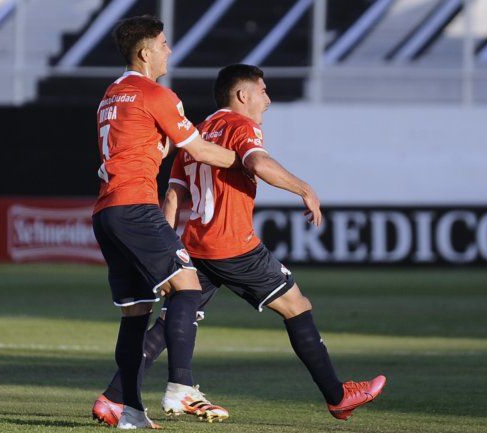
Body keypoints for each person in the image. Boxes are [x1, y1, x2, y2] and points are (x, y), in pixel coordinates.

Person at [92, 64, 386, 426]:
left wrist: (168, 245)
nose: (268, 99)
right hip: (233, 245)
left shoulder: (197, 131)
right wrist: (304, 188)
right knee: (297, 305)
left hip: (195, 245)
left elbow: (174, 196)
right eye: (262, 90)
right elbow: (258, 162)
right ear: (242, 95)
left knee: (171, 322)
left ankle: (114, 398)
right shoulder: (240, 126)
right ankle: (338, 397)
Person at [91, 15, 237, 429]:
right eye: (164, 44)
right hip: (135, 205)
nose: (169, 50)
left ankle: (129, 409)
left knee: (136, 311)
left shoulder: (110, 95)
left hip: (106, 212)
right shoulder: (155, 93)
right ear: (145, 52)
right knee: (187, 285)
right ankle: (181, 386)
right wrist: (245, 162)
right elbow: (203, 152)